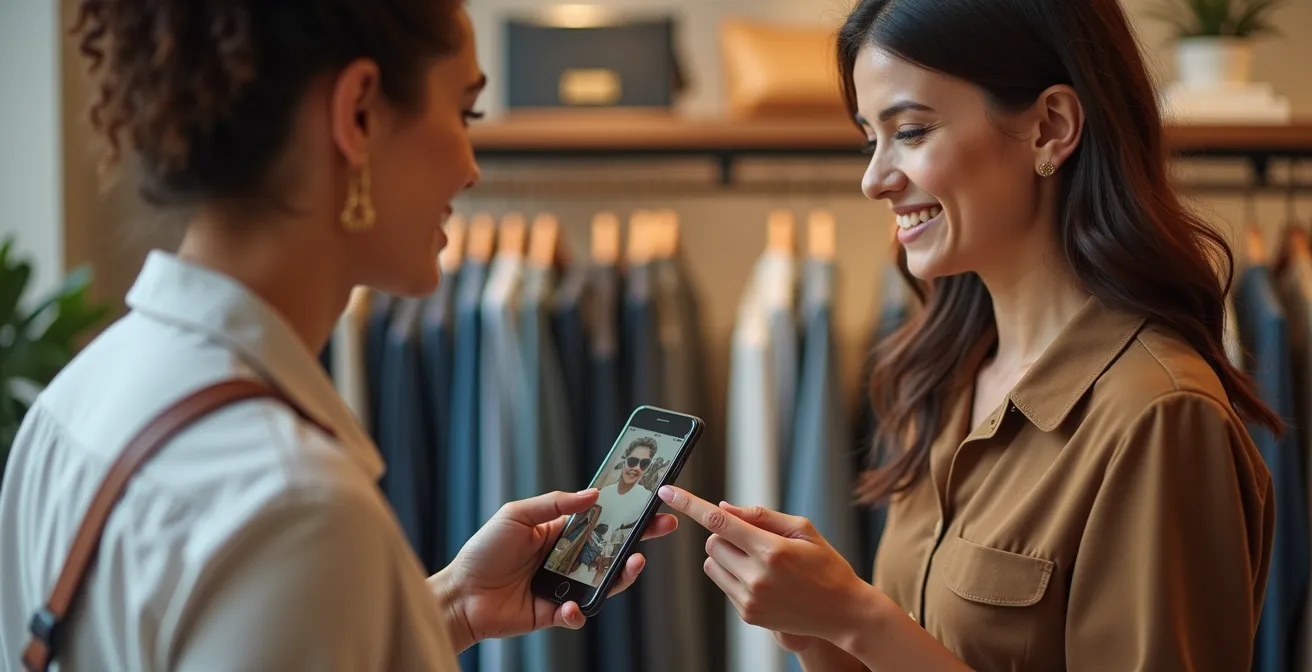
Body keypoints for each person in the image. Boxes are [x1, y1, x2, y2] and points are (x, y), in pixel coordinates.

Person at [0, 2, 678, 670]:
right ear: (358, 113)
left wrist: (451, 608)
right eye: (463, 112)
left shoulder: (70, 405)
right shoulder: (296, 507)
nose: (470, 168)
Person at [659, 0, 1278, 670]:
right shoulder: (947, 377)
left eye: (913, 132)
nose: (874, 179)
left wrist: (857, 617)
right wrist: (821, 634)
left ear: (1051, 127)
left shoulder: (1157, 415)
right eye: (871, 139)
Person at [572, 438, 660, 585]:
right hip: (581, 563)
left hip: (608, 569)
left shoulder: (645, 499)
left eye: (643, 464)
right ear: (625, 459)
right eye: (633, 461)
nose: (636, 468)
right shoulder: (603, 494)